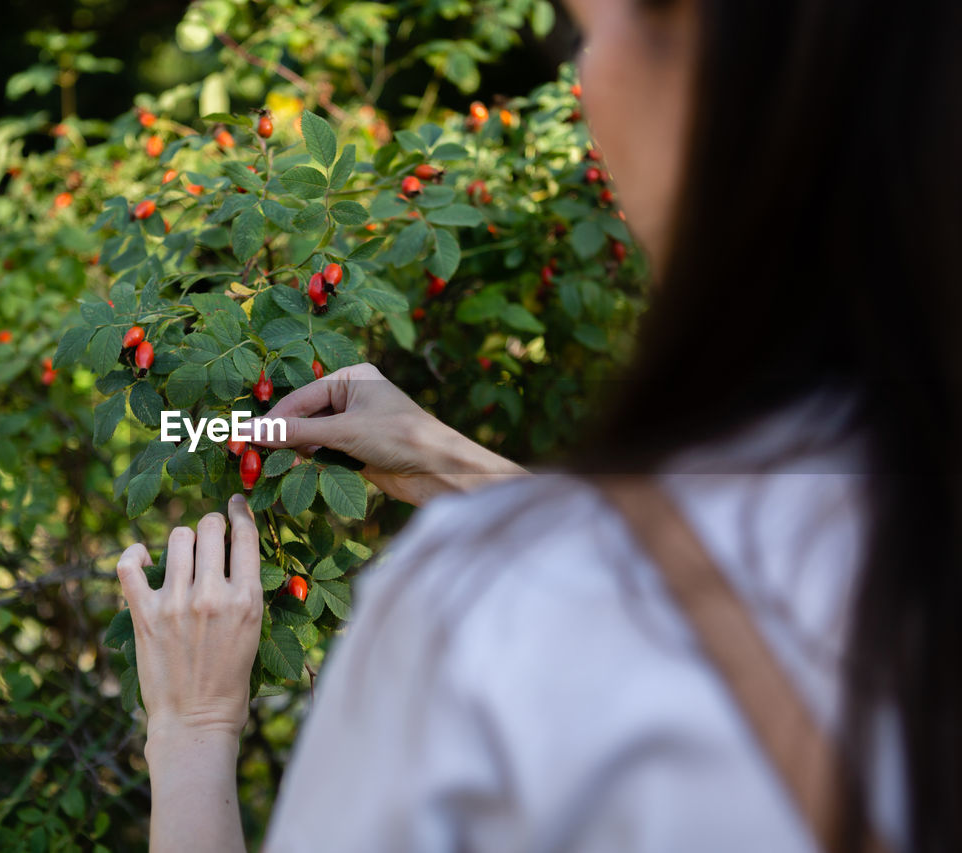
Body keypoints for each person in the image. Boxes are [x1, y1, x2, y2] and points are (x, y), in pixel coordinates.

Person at [114, 0, 962, 849]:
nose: (583, 80)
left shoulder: (486, 614)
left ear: (714, 68)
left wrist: (193, 728)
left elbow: (615, 593)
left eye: (591, 33)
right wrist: (447, 462)